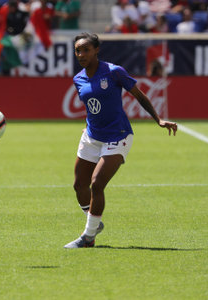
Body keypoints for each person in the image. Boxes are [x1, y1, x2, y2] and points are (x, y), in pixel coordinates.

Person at [64, 33, 177, 249]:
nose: (81, 54)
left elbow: (139, 95)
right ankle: (94, 222)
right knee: (79, 185)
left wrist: (158, 119)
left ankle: (88, 237)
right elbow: (93, 106)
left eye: (86, 49)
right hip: (91, 136)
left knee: (97, 184)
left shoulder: (114, 71)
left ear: (97, 50)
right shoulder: (78, 79)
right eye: (78, 50)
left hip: (118, 135)